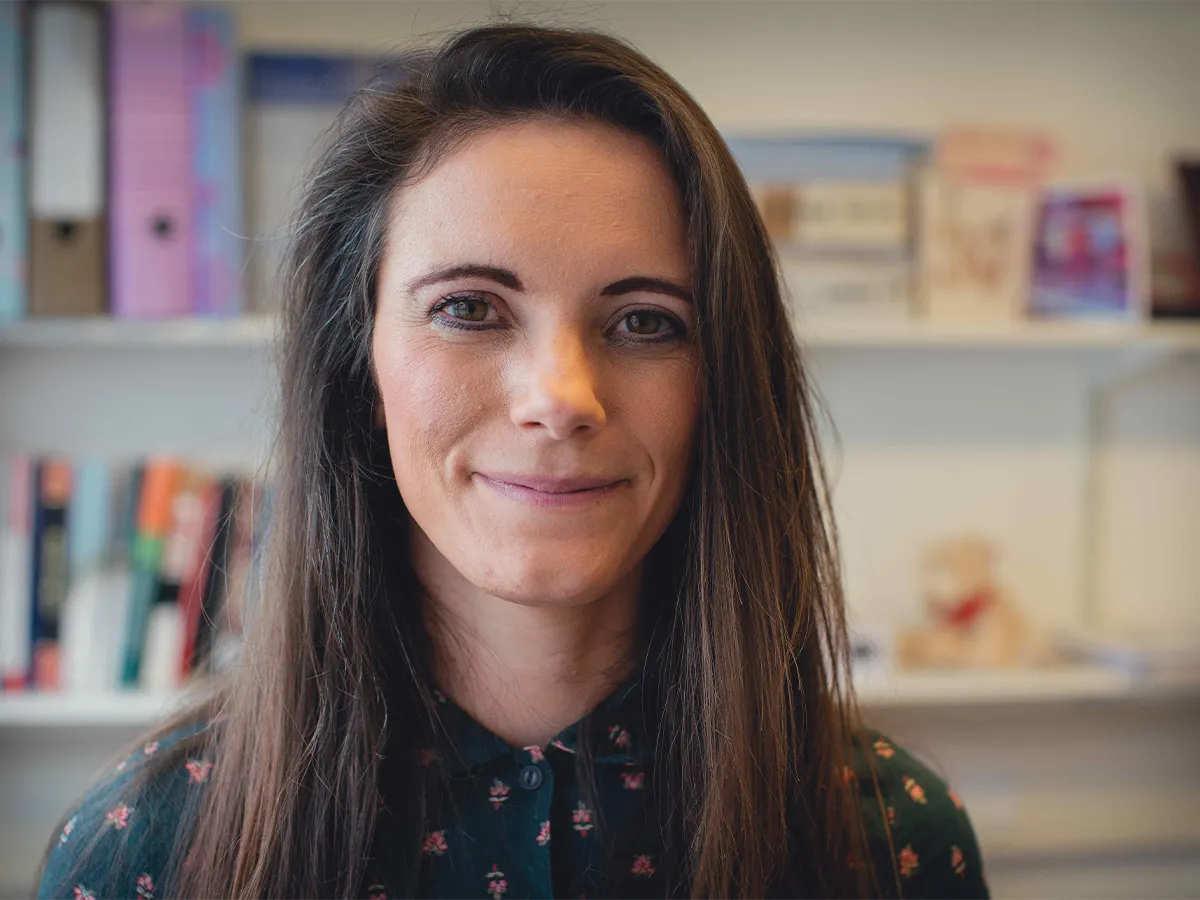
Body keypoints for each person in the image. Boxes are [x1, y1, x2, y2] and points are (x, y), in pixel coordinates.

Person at [36, 23, 988, 900]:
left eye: (646, 322)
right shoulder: (144, 853)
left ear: (723, 384)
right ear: (355, 362)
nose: (561, 396)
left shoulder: (891, 843)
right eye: (469, 309)